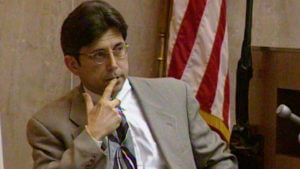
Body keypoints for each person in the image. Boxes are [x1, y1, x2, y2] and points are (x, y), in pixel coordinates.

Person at [26, 1, 237, 169]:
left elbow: (218, 161)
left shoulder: (174, 95)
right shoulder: (48, 124)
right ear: (73, 64)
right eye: (99, 55)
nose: (113, 64)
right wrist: (92, 136)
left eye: (118, 49)